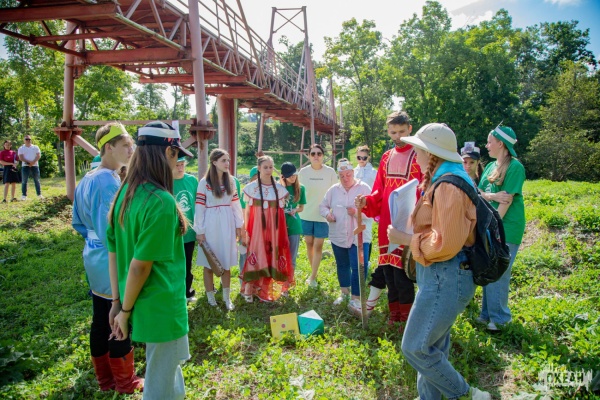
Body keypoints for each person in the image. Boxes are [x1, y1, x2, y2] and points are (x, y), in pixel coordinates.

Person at [387, 123, 492, 400]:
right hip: (440, 274)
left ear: (431, 154)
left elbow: (445, 243)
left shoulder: (448, 186)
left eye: (418, 150)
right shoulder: (446, 178)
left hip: (446, 275)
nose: (415, 155)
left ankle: (468, 395)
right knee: (432, 347)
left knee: (415, 347)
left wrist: (405, 238)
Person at [107, 121, 192, 400]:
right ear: (168, 152)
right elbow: (139, 266)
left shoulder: (125, 193)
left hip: (140, 302)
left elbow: (114, 253)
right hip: (162, 305)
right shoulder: (161, 200)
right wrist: (124, 311)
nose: (177, 162)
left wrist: (118, 302)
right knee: (159, 384)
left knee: (168, 374)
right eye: (177, 155)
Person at [71, 123, 143, 393]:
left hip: (93, 256)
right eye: (125, 145)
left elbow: (77, 222)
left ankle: (105, 379)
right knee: (118, 315)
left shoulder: (88, 178)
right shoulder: (106, 181)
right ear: (108, 148)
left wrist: (94, 241)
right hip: (111, 259)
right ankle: (125, 381)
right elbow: (113, 231)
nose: (131, 150)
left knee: (100, 318)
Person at [353, 111, 422, 325]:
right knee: (389, 272)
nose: (397, 136)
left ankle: (407, 319)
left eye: (402, 131)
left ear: (410, 129)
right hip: (387, 222)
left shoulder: (419, 155)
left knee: (403, 273)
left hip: (408, 222)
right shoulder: (386, 157)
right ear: (388, 131)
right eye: (393, 132)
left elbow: (423, 190)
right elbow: (379, 191)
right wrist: (367, 201)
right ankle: (394, 315)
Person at [477, 125, 526, 332]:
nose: (487, 145)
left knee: (499, 270)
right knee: (489, 268)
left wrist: (494, 227)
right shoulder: (490, 166)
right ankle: (486, 314)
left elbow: (506, 201)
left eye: (490, 142)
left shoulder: (515, 167)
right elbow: (479, 192)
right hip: (490, 226)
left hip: (506, 227)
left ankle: (500, 319)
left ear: (500, 143)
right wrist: (492, 196)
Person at [194, 149, 244, 310]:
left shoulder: (231, 181)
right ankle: (210, 298)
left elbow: (236, 204)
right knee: (209, 261)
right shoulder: (204, 183)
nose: (227, 163)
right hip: (211, 223)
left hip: (227, 222)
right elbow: (199, 208)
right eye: (223, 160)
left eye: (228, 160)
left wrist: (239, 225)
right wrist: (200, 230)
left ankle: (226, 298)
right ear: (214, 162)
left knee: (226, 262)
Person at [241, 155, 294, 302]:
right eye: (265, 167)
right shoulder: (251, 188)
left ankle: (266, 290)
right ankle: (249, 289)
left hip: (274, 229)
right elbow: (247, 212)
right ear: (259, 168)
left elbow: (281, 214)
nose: (268, 170)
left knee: (273, 253)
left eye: (271, 167)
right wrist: (245, 230)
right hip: (257, 228)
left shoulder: (279, 189)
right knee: (256, 253)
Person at [320, 158, 372, 308]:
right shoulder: (334, 190)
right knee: (342, 264)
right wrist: (327, 214)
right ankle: (344, 293)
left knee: (359, 266)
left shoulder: (364, 188)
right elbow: (322, 206)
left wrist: (356, 212)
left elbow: (374, 212)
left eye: (348, 174)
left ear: (353, 173)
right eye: (342, 176)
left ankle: (356, 297)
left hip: (359, 236)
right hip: (339, 235)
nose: (345, 178)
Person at [298, 143, 338, 287]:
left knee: (318, 245)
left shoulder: (330, 172)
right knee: (309, 243)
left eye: (319, 154)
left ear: (323, 156)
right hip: (306, 214)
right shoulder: (303, 172)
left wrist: (332, 212)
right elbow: (297, 192)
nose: (316, 156)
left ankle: (313, 277)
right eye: (313, 154)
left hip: (323, 215)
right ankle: (313, 271)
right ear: (308, 156)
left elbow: (335, 192)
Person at [173, 156, 199, 302]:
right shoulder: (165, 181)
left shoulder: (192, 180)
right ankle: (174, 293)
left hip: (189, 231)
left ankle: (187, 292)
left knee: (187, 262)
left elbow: (198, 203)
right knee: (174, 264)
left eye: (182, 164)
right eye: (177, 165)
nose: (180, 168)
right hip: (173, 232)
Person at [280, 162, 306, 271]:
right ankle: (279, 278)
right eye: (289, 175)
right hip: (280, 225)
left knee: (292, 257)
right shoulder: (278, 188)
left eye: (294, 174)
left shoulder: (301, 188)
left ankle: (290, 279)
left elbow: (301, 207)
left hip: (294, 225)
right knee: (280, 256)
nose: (292, 177)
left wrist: (295, 210)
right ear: (283, 177)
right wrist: (282, 186)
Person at [18, 135, 43, 200]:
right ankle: (24, 195)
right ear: (24, 140)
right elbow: (21, 157)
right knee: (24, 181)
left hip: (35, 165)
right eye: (26, 139)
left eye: (29, 139)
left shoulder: (35, 147)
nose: (28, 140)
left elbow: (38, 155)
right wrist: (29, 162)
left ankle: (39, 194)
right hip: (25, 166)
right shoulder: (21, 148)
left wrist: (33, 162)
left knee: (37, 180)